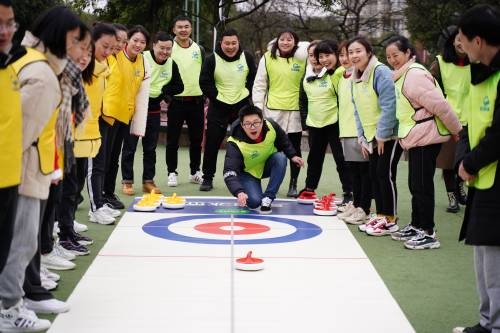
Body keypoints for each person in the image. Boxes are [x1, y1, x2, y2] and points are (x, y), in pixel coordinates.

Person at [0, 5, 88, 331]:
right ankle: (9, 309)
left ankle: (18, 299)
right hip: (21, 171)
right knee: (20, 243)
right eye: (76, 41)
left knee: (21, 242)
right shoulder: (42, 75)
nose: (81, 50)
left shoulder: (26, 60)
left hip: (25, 166)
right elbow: (18, 133)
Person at [385, 35, 462, 250]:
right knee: (415, 184)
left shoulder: (414, 75)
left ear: (408, 53)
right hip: (414, 136)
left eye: (396, 55)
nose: (392, 60)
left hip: (425, 136)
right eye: (389, 56)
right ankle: (417, 224)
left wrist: (457, 130)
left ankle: (428, 232)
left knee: (422, 185)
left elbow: (441, 105)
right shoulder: (402, 76)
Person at [453, 4, 500, 333]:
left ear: (479, 40)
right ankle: (488, 322)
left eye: (463, 38)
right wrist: (463, 160)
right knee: (483, 252)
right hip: (483, 178)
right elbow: (470, 125)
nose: (460, 44)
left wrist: (470, 162)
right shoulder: (479, 74)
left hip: (492, 176)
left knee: (495, 257)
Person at [348, 36, 403, 236]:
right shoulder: (354, 77)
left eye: (358, 51)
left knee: (384, 174)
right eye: (351, 52)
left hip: (389, 135)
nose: (354, 55)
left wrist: (382, 135)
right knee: (374, 175)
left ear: (369, 52)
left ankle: (390, 219)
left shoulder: (381, 71)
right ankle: (381, 215)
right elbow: (357, 110)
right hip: (372, 136)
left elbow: (390, 106)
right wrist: (363, 138)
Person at [121, 31, 183, 195]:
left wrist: (164, 92)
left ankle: (148, 181)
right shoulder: (142, 58)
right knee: (130, 147)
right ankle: (127, 181)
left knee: (150, 148)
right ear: (154, 45)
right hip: (135, 108)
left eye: (168, 49)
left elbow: (179, 86)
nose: (165, 52)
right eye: (161, 47)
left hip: (154, 109)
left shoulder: (171, 64)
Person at [199, 28, 256, 191]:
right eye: (227, 43)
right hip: (218, 106)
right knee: (212, 143)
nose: (230, 47)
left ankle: (245, 177)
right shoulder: (211, 59)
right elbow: (204, 82)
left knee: (245, 144)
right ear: (220, 43)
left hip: (241, 106)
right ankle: (207, 178)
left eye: (233, 43)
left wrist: (246, 94)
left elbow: (253, 78)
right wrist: (217, 97)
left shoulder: (248, 57)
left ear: (238, 43)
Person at [252, 29, 307, 197]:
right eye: (282, 39)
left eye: (289, 39)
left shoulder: (304, 59)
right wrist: (258, 108)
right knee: (270, 148)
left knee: (295, 148)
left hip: (295, 112)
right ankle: (262, 182)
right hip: (273, 111)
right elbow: (260, 83)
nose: (285, 42)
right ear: (277, 41)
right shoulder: (267, 58)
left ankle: (293, 184)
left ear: (295, 42)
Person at [297, 39, 352, 204]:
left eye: (319, 55)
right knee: (314, 159)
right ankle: (309, 189)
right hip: (314, 125)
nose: (316, 59)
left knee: (341, 159)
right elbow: (302, 101)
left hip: (335, 124)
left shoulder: (335, 74)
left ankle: (349, 191)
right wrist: (305, 123)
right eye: (313, 55)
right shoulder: (305, 77)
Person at [223, 105, 304, 214]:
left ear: (262, 121)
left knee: (280, 158)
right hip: (248, 172)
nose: (252, 127)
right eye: (247, 123)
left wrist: (293, 155)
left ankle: (268, 198)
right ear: (242, 125)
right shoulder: (234, 142)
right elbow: (229, 171)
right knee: (254, 202)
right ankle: (252, 191)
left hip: (267, 165)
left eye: (256, 122)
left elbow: (283, 139)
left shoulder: (271, 126)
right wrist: (239, 191)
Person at [101, 25, 150, 203]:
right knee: (103, 158)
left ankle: (108, 192)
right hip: (108, 114)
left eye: (142, 42)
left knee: (114, 157)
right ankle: (98, 197)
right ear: (127, 40)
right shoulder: (114, 55)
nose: (138, 44)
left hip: (126, 116)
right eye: (135, 40)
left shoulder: (143, 61)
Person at [430, 25, 470, 213]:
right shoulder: (439, 63)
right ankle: (452, 197)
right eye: (458, 39)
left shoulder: (477, 61)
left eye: (465, 39)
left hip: (472, 120)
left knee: (464, 160)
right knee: (447, 163)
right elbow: (429, 87)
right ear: (452, 41)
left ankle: (460, 186)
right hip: (447, 120)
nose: (461, 43)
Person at [0, 0, 24, 275]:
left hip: (10, 175)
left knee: (5, 248)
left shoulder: (10, 65)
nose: (4, 31)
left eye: (9, 24)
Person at [336, 40, 372, 224]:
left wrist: (364, 134)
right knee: (354, 173)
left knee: (364, 172)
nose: (346, 58)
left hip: (360, 132)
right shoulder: (339, 76)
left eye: (349, 53)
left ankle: (364, 207)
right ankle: (356, 203)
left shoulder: (363, 76)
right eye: (342, 54)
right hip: (345, 131)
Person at [167, 15, 205, 187]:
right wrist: (167, 97)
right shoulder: (169, 48)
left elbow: (204, 74)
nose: (183, 30)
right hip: (176, 102)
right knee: (172, 140)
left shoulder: (199, 49)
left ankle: (195, 171)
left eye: (186, 26)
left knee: (196, 140)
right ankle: (171, 172)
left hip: (196, 102)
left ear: (191, 29)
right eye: (179, 27)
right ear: (174, 30)